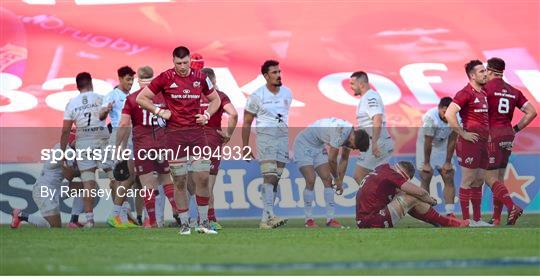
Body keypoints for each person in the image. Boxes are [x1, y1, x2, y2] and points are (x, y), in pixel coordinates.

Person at [136, 46, 221, 235]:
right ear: (173, 61)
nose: (182, 67)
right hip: (174, 135)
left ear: (190, 60)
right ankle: (184, 224)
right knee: (180, 181)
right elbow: (142, 98)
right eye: (178, 63)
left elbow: (215, 100)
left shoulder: (200, 77)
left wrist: (206, 114)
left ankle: (204, 222)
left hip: (197, 134)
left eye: (185, 62)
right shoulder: (165, 77)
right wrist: (159, 111)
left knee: (203, 177)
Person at [116, 66, 180, 229]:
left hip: (143, 146)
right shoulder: (164, 96)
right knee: (166, 179)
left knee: (147, 184)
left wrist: (118, 146)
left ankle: (151, 221)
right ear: (153, 78)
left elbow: (124, 123)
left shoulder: (132, 98)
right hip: (161, 144)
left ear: (139, 80)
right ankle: (177, 209)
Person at [484, 57, 537, 225]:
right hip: (508, 135)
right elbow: (531, 112)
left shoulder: (485, 89)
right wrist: (515, 129)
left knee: (488, 177)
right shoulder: (514, 91)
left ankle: (512, 206)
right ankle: (497, 218)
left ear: (490, 70)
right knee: (499, 178)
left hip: (492, 135)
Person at [293, 117, 369, 228]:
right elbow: (332, 160)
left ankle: (330, 219)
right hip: (303, 144)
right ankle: (308, 219)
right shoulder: (341, 133)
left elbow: (344, 159)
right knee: (311, 179)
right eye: (353, 146)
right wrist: (337, 179)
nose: (352, 148)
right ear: (353, 138)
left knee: (327, 180)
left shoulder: (350, 134)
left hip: (318, 146)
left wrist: (340, 181)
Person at [242, 60, 292, 229]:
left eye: (279, 72)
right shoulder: (257, 96)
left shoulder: (287, 93)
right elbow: (247, 122)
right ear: (265, 76)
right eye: (274, 73)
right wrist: (245, 146)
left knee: (276, 178)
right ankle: (271, 215)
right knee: (269, 176)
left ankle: (265, 220)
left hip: (282, 138)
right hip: (266, 138)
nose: (278, 75)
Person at [60, 72, 110, 228]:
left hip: (83, 143)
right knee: (114, 176)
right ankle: (120, 215)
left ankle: (89, 220)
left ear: (77, 87)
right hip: (101, 139)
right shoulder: (101, 98)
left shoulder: (71, 103)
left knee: (88, 181)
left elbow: (65, 130)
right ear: (91, 83)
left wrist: (62, 152)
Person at [355, 161, 468, 229]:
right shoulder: (394, 175)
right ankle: (447, 222)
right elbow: (420, 192)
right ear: (404, 176)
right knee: (412, 197)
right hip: (373, 221)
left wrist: (421, 197)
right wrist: (430, 200)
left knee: (409, 196)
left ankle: (439, 222)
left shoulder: (383, 168)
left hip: (363, 220)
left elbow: (403, 191)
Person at [11, 134, 83, 228]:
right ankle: (21, 215)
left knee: (84, 187)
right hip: (45, 191)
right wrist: (86, 170)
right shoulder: (67, 151)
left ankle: (74, 221)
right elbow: (69, 176)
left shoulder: (66, 147)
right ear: (74, 140)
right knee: (54, 227)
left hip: (54, 187)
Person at [99, 66, 141, 227]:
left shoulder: (132, 96)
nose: (130, 83)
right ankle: (118, 216)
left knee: (125, 178)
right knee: (123, 178)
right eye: (128, 79)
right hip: (118, 137)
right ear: (120, 79)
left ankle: (121, 216)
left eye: (132, 79)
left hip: (131, 139)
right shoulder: (112, 95)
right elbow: (101, 115)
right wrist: (106, 110)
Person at [199, 67, 238, 230]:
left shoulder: (191, 95)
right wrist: (228, 134)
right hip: (213, 140)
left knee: (189, 182)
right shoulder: (220, 96)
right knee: (208, 183)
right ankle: (210, 218)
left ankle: (186, 218)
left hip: (191, 139)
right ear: (214, 80)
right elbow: (234, 115)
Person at [349, 71, 394, 187]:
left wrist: (374, 143)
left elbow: (377, 119)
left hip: (377, 142)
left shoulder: (370, 97)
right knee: (376, 180)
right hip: (374, 142)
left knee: (360, 176)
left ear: (362, 84)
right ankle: (391, 201)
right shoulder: (367, 97)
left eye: (353, 84)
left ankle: (382, 202)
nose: (350, 87)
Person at [416, 97, 458, 217]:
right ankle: (426, 212)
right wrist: (427, 163)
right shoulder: (430, 118)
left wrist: (448, 162)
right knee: (426, 176)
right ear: (439, 109)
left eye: (448, 112)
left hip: (442, 144)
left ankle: (450, 212)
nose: (446, 115)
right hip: (425, 145)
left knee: (448, 175)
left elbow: (453, 140)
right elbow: (428, 142)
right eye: (444, 112)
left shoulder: (457, 117)